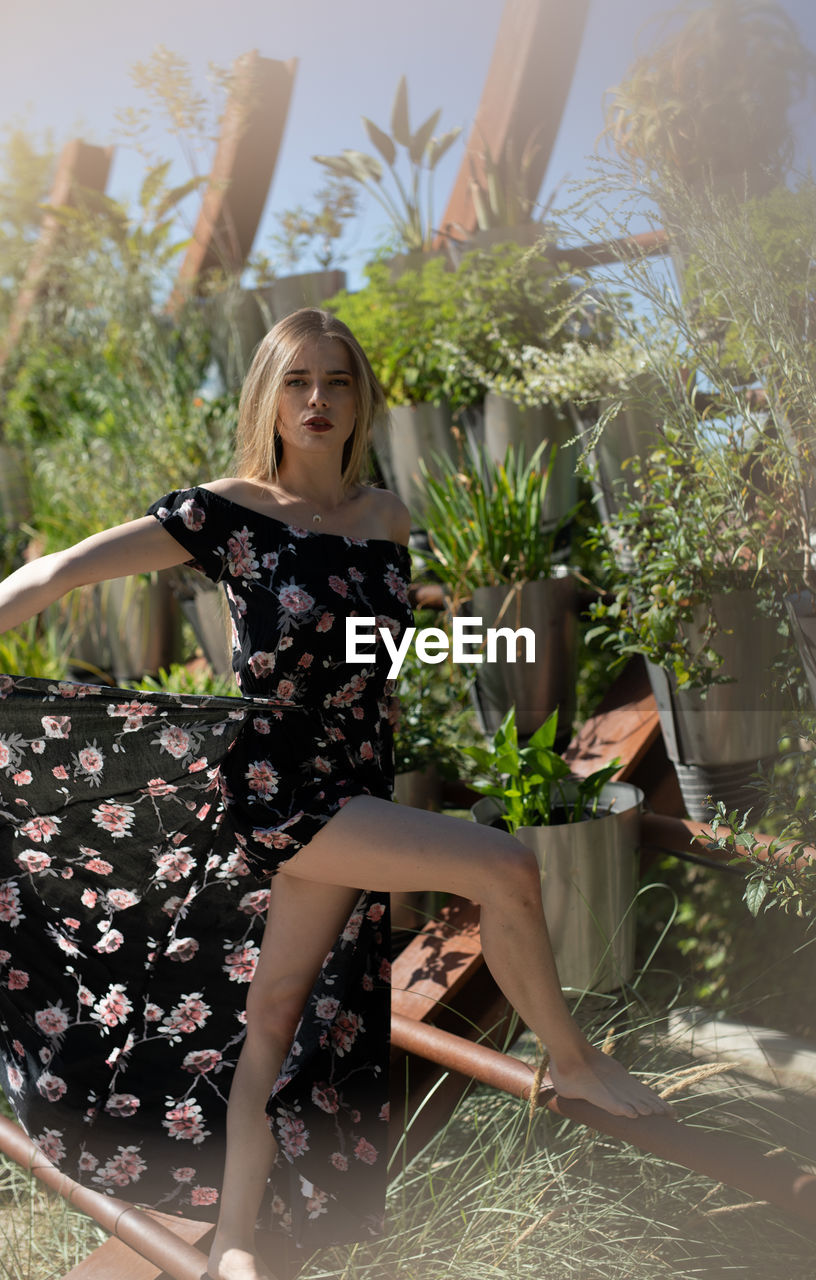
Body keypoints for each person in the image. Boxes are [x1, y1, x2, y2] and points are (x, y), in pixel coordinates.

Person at [0, 308, 672, 1280]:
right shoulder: (225, 513)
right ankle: (570, 1059)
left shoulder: (385, 518)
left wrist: (476, 641)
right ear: (268, 398)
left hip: (354, 784)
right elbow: (56, 573)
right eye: (298, 382)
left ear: (360, 400)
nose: (317, 401)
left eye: (338, 381)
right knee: (505, 863)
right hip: (278, 789)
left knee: (272, 1010)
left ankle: (234, 1242)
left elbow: (376, 651)